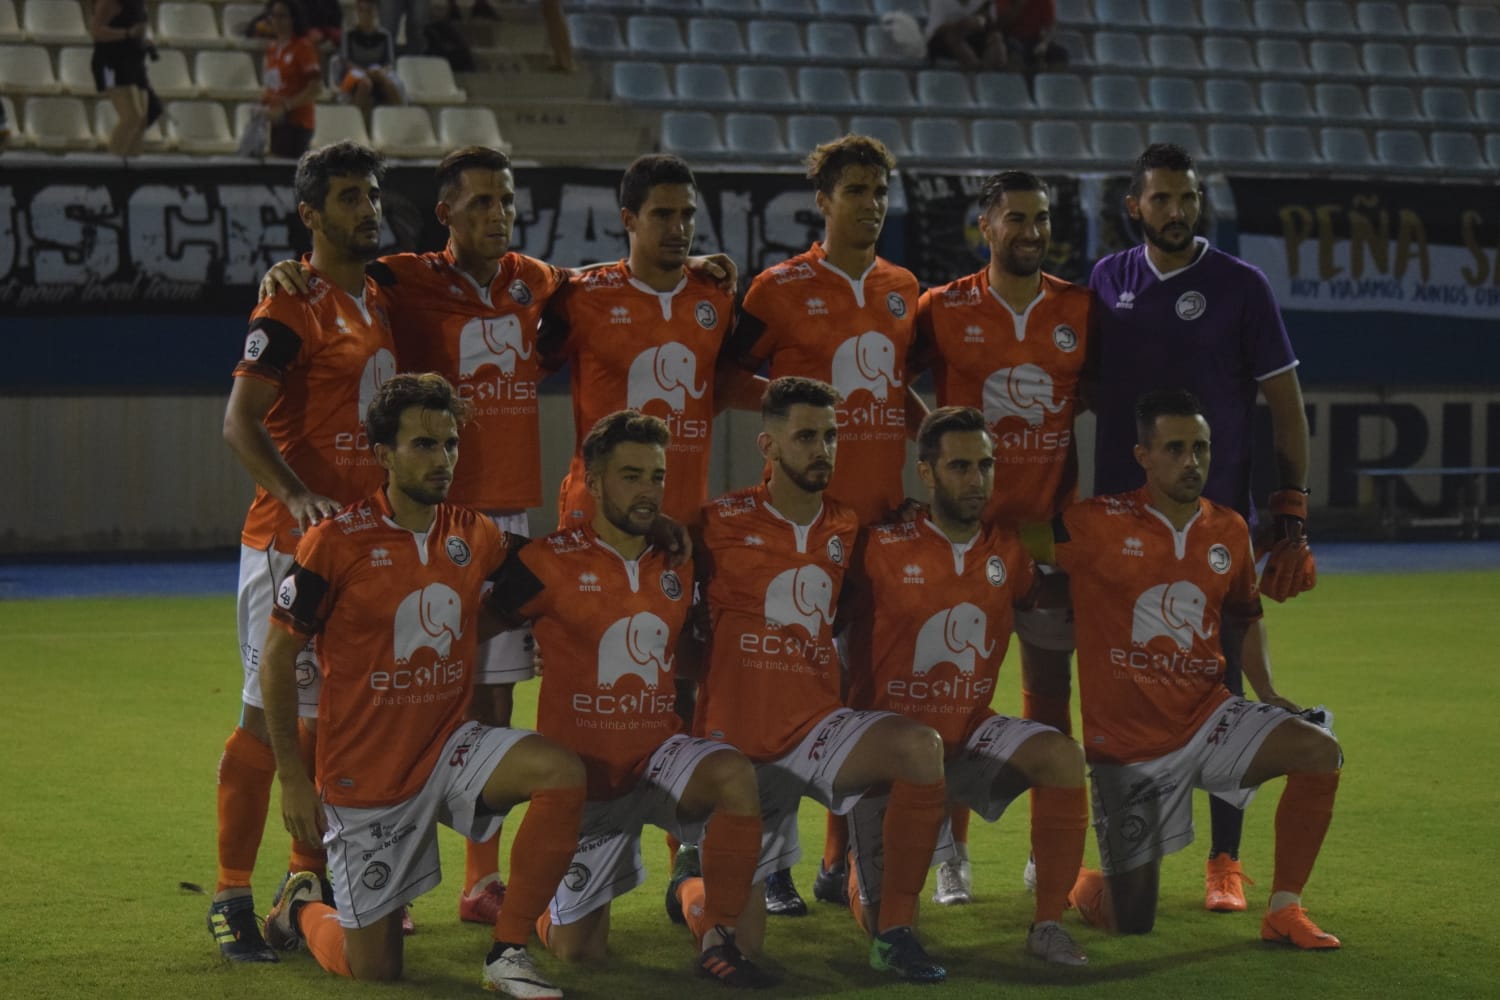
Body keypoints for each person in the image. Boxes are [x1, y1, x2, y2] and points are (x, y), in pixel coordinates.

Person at [259, 372, 587, 997]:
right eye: (424, 445)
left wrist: (654, 536)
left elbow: (552, 564)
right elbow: (277, 659)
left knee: (560, 772)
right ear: (382, 454)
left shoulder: (473, 532)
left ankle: (508, 952)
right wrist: (293, 778)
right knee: (376, 968)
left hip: (448, 747)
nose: (443, 460)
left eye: (450, 444)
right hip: (366, 776)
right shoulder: (334, 543)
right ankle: (301, 909)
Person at [1089, 143, 1317, 913]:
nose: (1178, 211)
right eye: (1162, 200)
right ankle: (1118, 851)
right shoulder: (1108, 281)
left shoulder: (1241, 286)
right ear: (1135, 207)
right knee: (1124, 690)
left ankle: (1225, 860)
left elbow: (1287, 407)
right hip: (1120, 537)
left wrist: (1290, 513)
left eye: (1187, 198)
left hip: (1216, 531)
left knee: (1221, 689)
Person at [485, 410, 772, 988]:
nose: (647, 491)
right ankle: (665, 894)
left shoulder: (676, 562)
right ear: (593, 482)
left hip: (656, 762)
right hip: (584, 785)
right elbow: (477, 629)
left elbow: (685, 657)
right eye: (631, 476)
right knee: (579, 952)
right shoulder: (546, 562)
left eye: (656, 477)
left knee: (734, 776)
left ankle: (715, 934)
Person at [1057, 389, 1341, 949]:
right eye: (1176, 448)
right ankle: (1076, 882)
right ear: (1143, 455)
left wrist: (1267, 690)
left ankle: (1284, 909)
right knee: (1130, 918)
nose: (1193, 462)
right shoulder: (1091, 524)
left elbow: (1244, 616)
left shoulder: (1229, 528)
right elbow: (1013, 546)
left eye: (1202, 448)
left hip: (1208, 720)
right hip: (1129, 748)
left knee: (1319, 751)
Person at [724, 134, 925, 916]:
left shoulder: (905, 287)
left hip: (878, 529)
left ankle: (841, 861)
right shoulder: (776, 289)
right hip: (800, 530)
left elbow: (897, 384)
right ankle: (772, 861)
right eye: (856, 189)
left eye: (880, 189)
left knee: (865, 699)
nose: (871, 202)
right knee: (786, 695)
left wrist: (931, 431)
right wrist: (788, 416)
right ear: (824, 200)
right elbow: (725, 373)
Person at [694, 376, 950, 983]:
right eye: (806, 436)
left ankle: (895, 931)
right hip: (737, 749)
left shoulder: (847, 526)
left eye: (831, 436)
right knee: (737, 953)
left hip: (815, 729)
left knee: (918, 749)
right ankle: (693, 892)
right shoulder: (714, 523)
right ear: (768, 445)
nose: (823, 449)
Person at [211, 141, 397, 963]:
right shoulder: (291, 306)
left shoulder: (381, 300)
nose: (368, 208)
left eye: (373, 194)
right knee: (267, 720)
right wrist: (293, 496)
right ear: (311, 216)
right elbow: (239, 422)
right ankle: (228, 893)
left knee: (329, 724)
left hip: (355, 550)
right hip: (288, 548)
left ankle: (304, 882)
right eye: (349, 197)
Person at [842, 406, 1090, 965]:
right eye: (959, 466)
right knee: (880, 919)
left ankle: (1048, 921)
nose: (976, 480)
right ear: (925, 472)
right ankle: (861, 887)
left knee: (1063, 757)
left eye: (985, 465)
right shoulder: (876, 546)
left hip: (969, 736)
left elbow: (1045, 604)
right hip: (890, 755)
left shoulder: (1008, 553)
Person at [911, 169, 1094, 904]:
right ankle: (949, 852)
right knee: (951, 701)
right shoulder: (942, 308)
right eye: (1015, 218)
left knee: (1050, 704)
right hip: (967, 543)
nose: (1031, 231)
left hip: (1047, 544)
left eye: (1041, 219)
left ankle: (1040, 856)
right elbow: (885, 375)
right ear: (984, 227)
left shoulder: (1080, 308)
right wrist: (930, 445)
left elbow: (1108, 394)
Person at [540, 153, 753, 534]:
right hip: (594, 523)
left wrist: (804, 403)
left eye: (687, 214)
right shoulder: (582, 298)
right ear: (628, 219)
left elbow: (722, 388)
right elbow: (523, 374)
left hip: (683, 523)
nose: (679, 228)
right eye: (662, 215)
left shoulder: (717, 298)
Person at [257, 0, 322, 160]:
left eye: (282, 16)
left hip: (298, 122)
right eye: (274, 16)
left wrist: (286, 106)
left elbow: (315, 88)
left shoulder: (303, 47)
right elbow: (273, 85)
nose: (277, 21)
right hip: (278, 122)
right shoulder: (272, 49)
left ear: (293, 19)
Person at [88, 0, 152, 156]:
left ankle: (132, 161)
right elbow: (96, 31)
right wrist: (127, 34)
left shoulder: (139, 4)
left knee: (143, 118)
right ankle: (113, 163)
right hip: (110, 64)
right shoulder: (110, 3)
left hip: (133, 63)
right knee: (132, 116)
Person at [332, 0, 404, 115]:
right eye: (362, 11)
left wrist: (381, 72)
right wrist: (365, 72)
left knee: (390, 84)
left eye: (369, 11)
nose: (365, 15)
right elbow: (346, 62)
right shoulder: (349, 35)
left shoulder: (385, 35)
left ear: (376, 13)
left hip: (377, 74)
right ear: (357, 12)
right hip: (353, 75)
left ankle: (401, 118)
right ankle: (354, 121)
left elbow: (389, 63)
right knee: (365, 84)